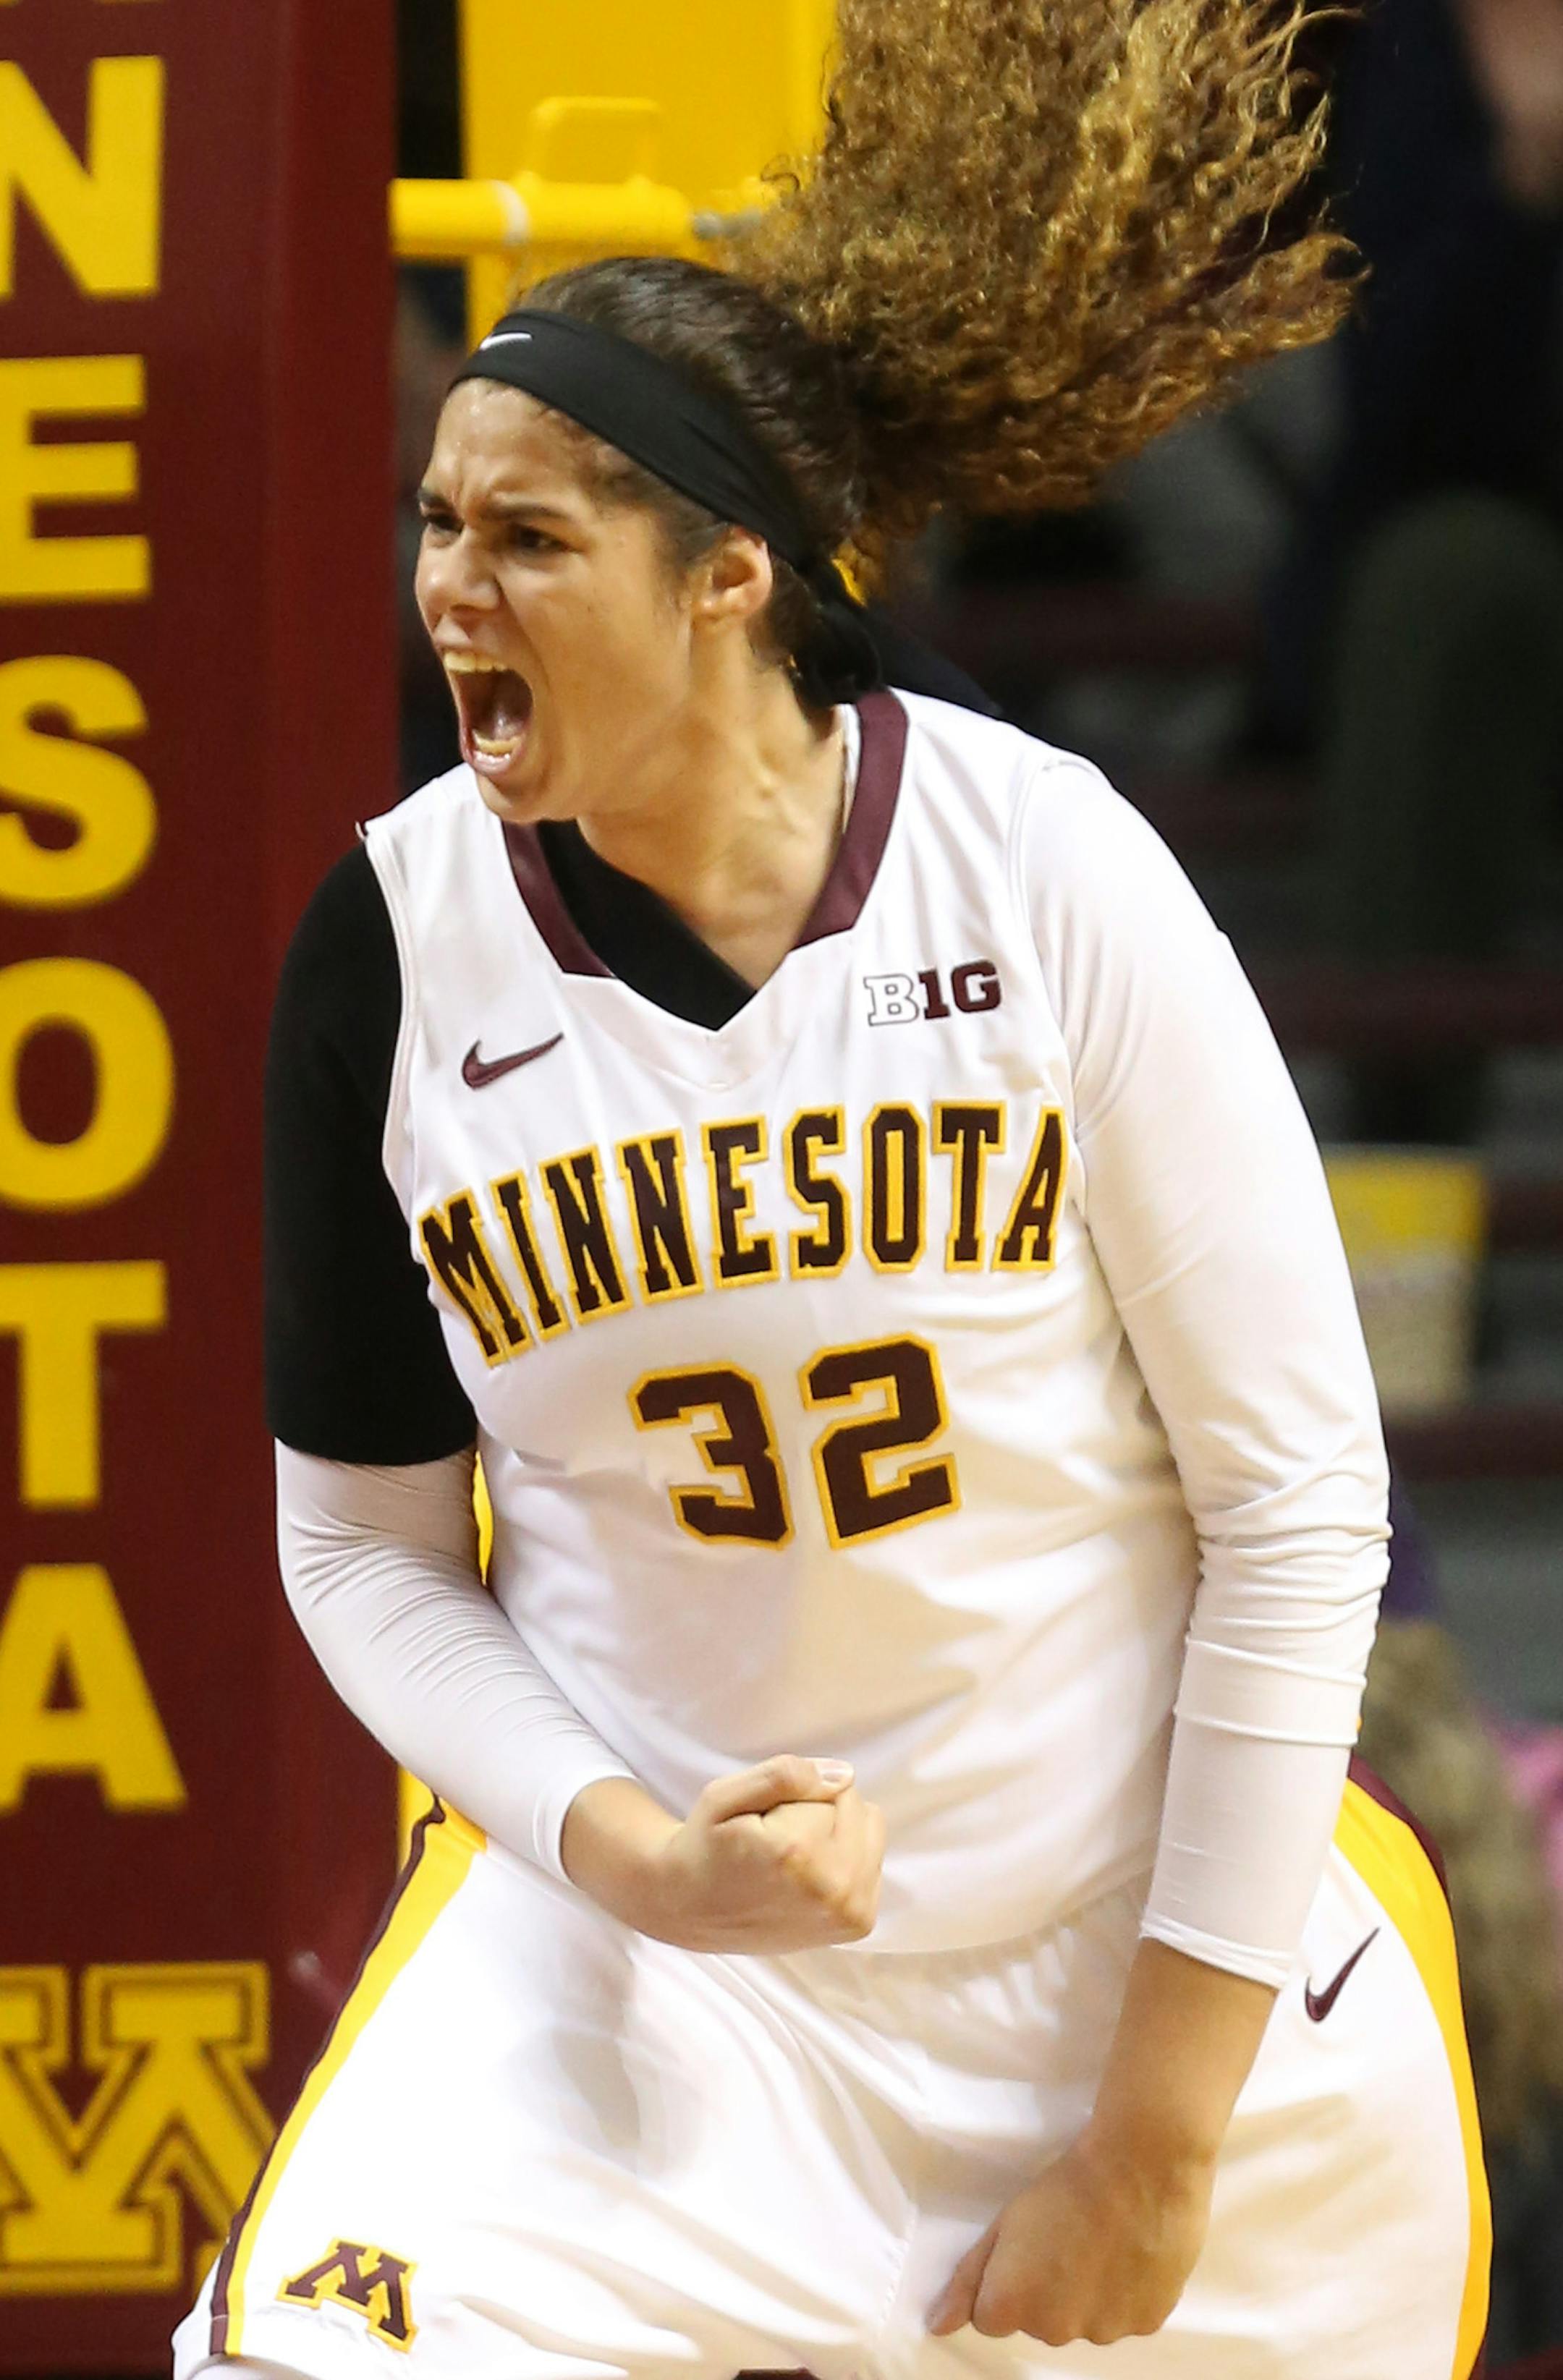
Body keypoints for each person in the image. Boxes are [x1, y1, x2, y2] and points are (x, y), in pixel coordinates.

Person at [176, 3, 1489, 2375]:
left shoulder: (1046, 866)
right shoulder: (389, 946)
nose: (450, 587)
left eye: (527, 536)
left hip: (1142, 1962)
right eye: (435, 524)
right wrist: (632, 1845)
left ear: (729, 581)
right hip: (659, 1996)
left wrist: (1158, 2141)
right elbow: (354, 1547)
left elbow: (1299, 1502)